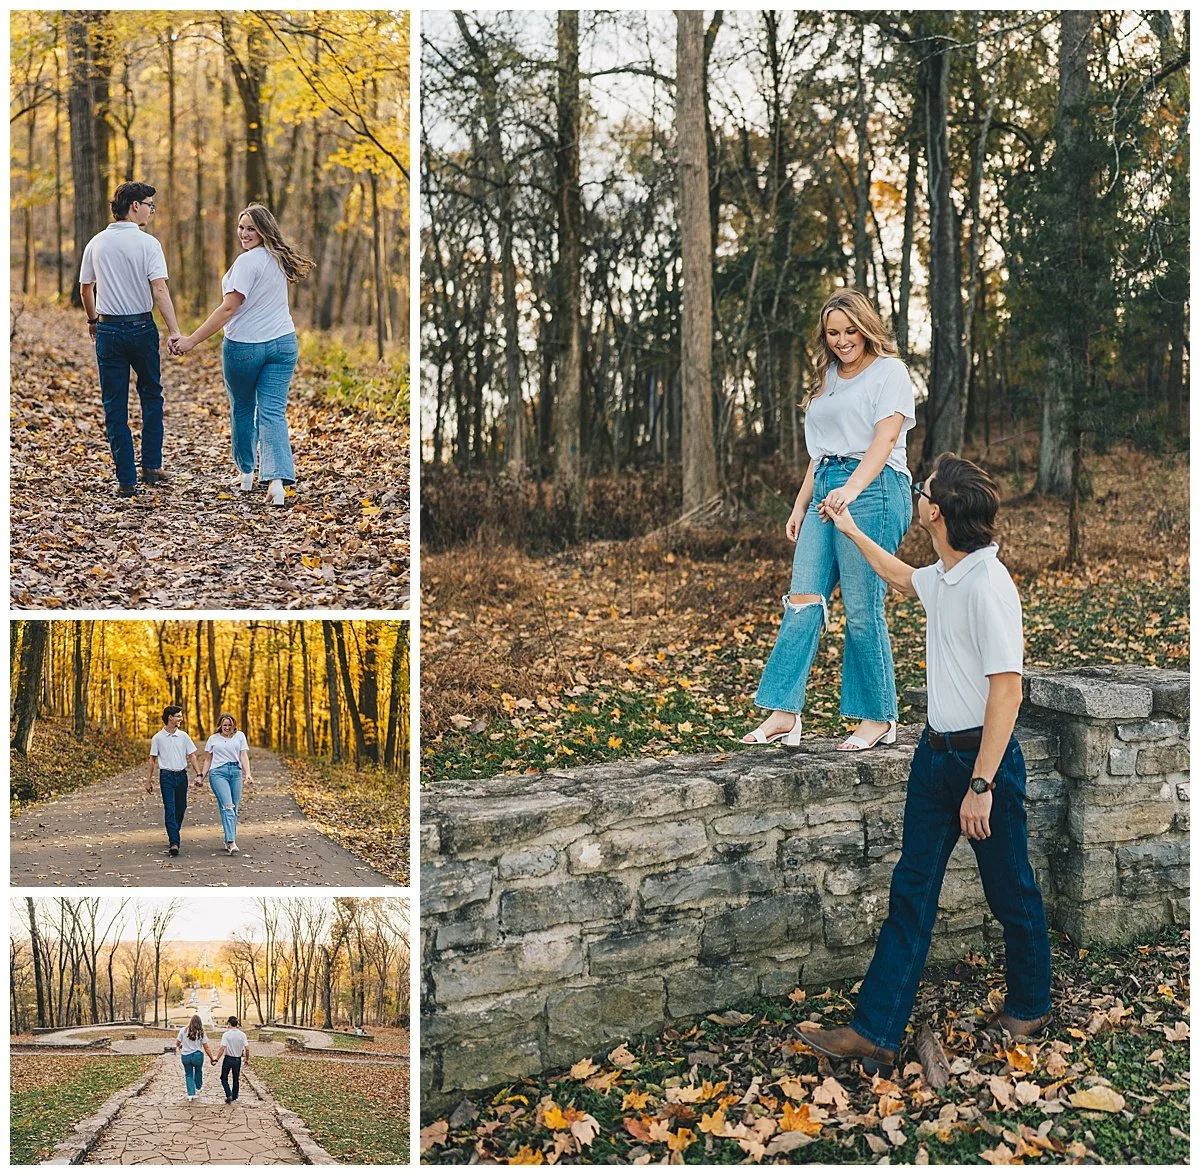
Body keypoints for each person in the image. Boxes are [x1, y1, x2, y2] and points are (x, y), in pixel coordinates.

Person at [797, 452, 1052, 1074]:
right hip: (932, 759)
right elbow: (902, 578)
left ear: (934, 511)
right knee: (911, 894)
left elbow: (1007, 691)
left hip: (981, 765)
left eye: (922, 490)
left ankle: (1032, 1002)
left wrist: (983, 784)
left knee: (1010, 890)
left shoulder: (989, 585)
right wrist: (852, 529)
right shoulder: (946, 573)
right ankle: (876, 1034)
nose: (917, 494)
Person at [743, 288, 915, 751]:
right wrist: (801, 505)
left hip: (876, 488)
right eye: (833, 332)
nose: (842, 340)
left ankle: (877, 716)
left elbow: (884, 440)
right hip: (826, 488)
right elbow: (819, 454)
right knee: (802, 598)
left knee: (861, 608)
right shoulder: (827, 378)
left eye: (850, 330)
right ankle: (784, 713)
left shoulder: (890, 372)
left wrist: (852, 490)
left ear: (867, 327)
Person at [171, 204, 315, 506]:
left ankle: (247, 471)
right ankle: (276, 481)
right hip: (283, 344)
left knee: (243, 406)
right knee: (273, 412)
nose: (244, 233)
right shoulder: (279, 258)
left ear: (264, 230)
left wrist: (191, 340)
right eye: (241, 227)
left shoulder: (247, 263)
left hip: (246, 347)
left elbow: (228, 308)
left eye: (251, 228)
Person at [80, 181, 183, 497]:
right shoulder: (148, 244)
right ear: (135, 205)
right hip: (141, 329)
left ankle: (126, 480)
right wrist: (174, 331)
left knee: (115, 405)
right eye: (150, 205)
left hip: (109, 330)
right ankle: (151, 466)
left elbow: (86, 288)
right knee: (151, 394)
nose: (152, 211)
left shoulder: (96, 243)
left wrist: (93, 320)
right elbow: (160, 289)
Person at [147, 706, 202, 857]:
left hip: (181, 776)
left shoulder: (184, 736)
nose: (180, 718)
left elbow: (192, 756)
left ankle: (173, 832)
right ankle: (174, 842)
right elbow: (152, 760)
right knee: (170, 809)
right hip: (166, 777)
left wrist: (199, 773)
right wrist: (148, 780)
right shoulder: (158, 738)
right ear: (170, 717)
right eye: (178, 716)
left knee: (181, 807)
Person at [202, 713, 254, 855]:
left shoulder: (240, 736)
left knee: (233, 809)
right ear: (220, 725)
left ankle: (227, 839)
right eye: (224, 725)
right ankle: (231, 842)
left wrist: (247, 773)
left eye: (230, 725)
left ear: (234, 725)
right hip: (218, 773)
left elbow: (243, 755)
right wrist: (201, 776)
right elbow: (208, 759)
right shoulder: (213, 739)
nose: (227, 728)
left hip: (235, 772)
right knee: (228, 806)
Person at [176, 1014, 216, 1100]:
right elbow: (206, 1047)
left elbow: (177, 1043)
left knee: (188, 1074)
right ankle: (198, 1085)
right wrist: (212, 1058)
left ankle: (191, 1093)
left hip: (186, 1056)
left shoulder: (183, 1030)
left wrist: (181, 1046)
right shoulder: (201, 1033)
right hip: (197, 1056)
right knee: (198, 1071)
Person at [212, 1014, 251, 1103]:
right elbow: (247, 1048)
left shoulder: (226, 1035)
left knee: (223, 1078)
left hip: (228, 1059)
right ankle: (234, 1096)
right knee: (236, 1078)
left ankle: (228, 1094)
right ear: (237, 1024)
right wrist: (247, 1059)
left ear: (229, 1024)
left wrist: (217, 1059)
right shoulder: (242, 1035)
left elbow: (222, 1048)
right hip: (237, 1059)